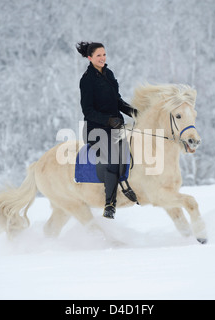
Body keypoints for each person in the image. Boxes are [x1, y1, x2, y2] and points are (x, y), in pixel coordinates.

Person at [76, 41, 137, 219]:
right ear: (89, 58)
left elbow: (117, 101)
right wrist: (108, 120)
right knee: (113, 157)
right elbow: (87, 110)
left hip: (115, 127)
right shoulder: (86, 80)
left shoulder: (108, 73)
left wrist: (135, 113)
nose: (102, 58)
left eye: (104, 54)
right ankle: (110, 204)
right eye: (98, 56)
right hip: (97, 130)